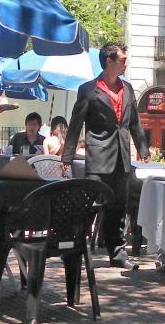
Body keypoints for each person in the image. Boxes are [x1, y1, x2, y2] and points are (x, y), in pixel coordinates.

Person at [61, 42, 149, 270]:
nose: (126, 63)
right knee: (88, 207)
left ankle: (117, 253)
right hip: (98, 157)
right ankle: (75, 252)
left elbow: (134, 122)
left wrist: (142, 148)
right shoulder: (89, 90)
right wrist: (67, 156)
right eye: (122, 60)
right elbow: (75, 124)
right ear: (109, 61)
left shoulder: (128, 89)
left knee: (118, 208)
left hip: (122, 156)